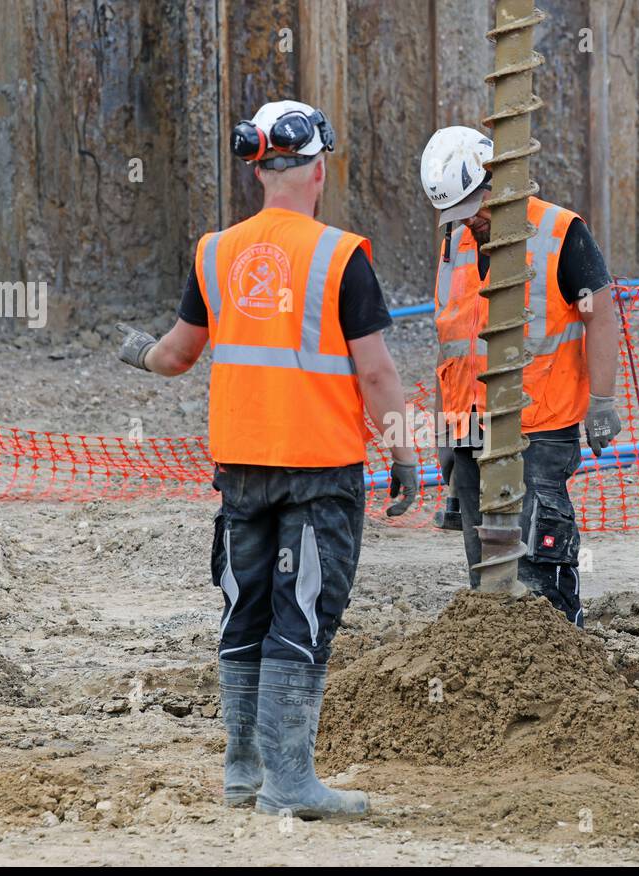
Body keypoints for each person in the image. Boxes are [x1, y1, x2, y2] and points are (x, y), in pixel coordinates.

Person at [116, 100, 418, 818]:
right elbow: (375, 374)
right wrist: (405, 449)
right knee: (302, 616)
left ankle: (244, 774)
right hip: (317, 469)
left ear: (259, 170)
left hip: (242, 471)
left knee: (245, 611)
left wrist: (136, 353)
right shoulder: (340, 256)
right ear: (317, 169)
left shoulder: (216, 251)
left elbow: (175, 355)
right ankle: (290, 782)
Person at [419, 125, 622, 627]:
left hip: (539, 426)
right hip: (468, 429)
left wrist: (602, 400)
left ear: (494, 181)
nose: (469, 223)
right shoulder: (455, 240)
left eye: (474, 210)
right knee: (484, 567)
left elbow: (600, 313)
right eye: (459, 215)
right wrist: (445, 429)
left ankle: (559, 655)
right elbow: (452, 338)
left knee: (537, 564)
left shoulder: (558, 230)